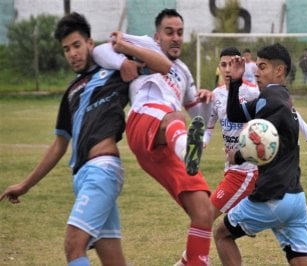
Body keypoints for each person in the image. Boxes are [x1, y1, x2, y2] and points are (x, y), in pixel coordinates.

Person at [0, 12, 142, 266]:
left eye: (77, 45)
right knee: (113, 260)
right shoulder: (71, 92)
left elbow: (147, 60)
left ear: (90, 43)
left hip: (103, 171)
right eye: (66, 49)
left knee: (73, 244)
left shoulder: (112, 71)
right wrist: (25, 185)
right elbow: (58, 145)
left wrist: (123, 50)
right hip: (82, 178)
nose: (72, 53)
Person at [93, 8, 214, 265]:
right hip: (143, 121)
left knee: (204, 211)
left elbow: (199, 116)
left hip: (170, 139)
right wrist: (123, 62)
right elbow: (99, 51)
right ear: (157, 36)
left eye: (180, 32)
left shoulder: (184, 72)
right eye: (169, 32)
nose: (176, 37)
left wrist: (208, 101)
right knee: (175, 118)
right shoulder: (145, 45)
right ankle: (186, 151)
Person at [213, 43, 307, 266]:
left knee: (222, 234)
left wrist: (236, 156)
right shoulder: (277, 98)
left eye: (263, 66)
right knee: (299, 259)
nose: (257, 71)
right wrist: (236, 82)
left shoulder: (271, 98)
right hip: (295, 198)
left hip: (272, 196)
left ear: (279, 71)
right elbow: (235, 113)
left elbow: (261, 141)